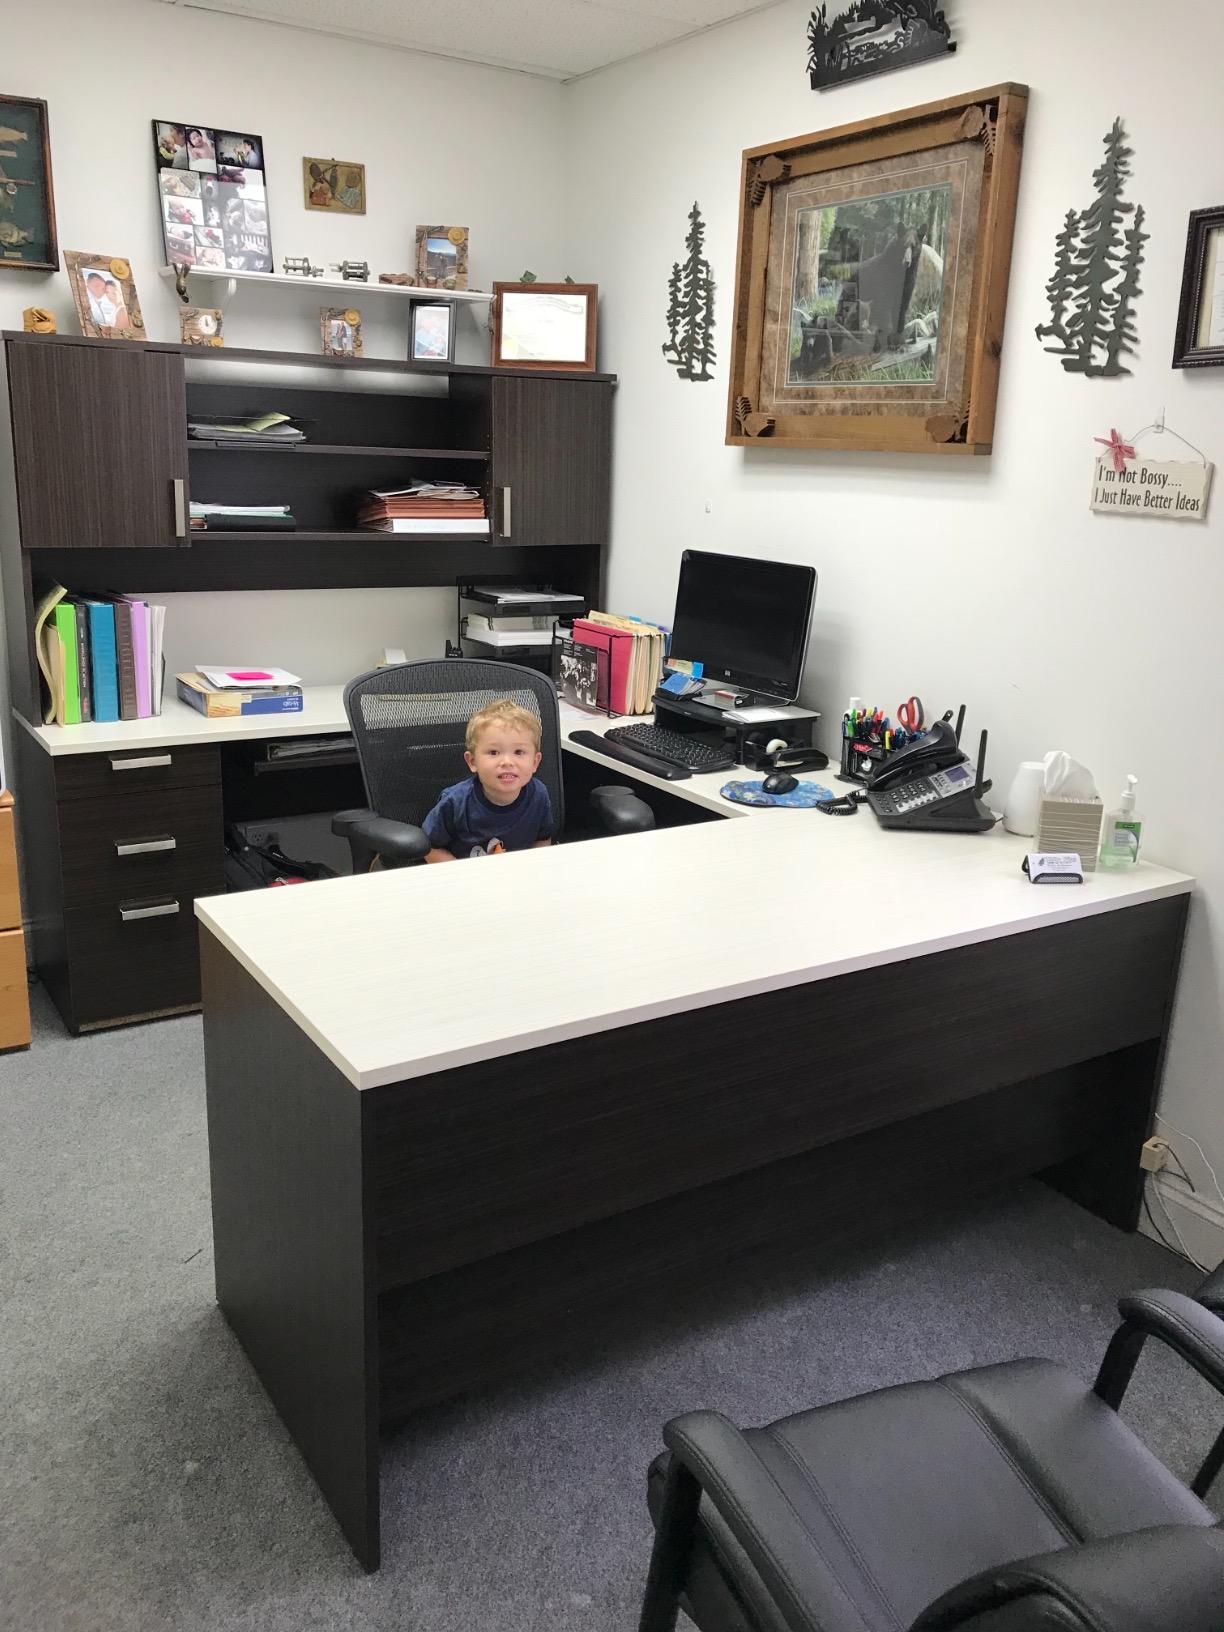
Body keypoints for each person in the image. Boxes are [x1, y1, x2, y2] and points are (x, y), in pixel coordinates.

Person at [422, 700, 554, 861]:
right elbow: (429, 847)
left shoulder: (538, 794)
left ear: (535, 762)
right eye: (493, 752)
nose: (507, 761)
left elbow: (543, 839)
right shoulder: (455, 802)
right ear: (472, 762)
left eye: (519, 752)